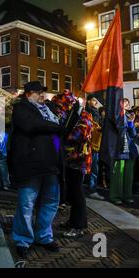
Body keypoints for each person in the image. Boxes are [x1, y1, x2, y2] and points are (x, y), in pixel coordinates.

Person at [10, 81, 63, 258]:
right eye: (39, 92)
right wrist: (55, 127)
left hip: (51, 163)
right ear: (29, 93)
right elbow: (30, 126)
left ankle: (44, 236)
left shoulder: (48, 109)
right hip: (31, 164)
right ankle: (23, 239)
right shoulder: (21, 108)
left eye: (43, 92)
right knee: (26, 203)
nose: (43, 95)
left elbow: (56, 127)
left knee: (50, 201)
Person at [52, 91, 93, 238]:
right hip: (68, 160)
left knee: (77, 194)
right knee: (71, 192)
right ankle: (72, 221)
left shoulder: (84, 115)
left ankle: (79, 226)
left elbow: (80, 135)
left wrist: (62, 131)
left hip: (79, 160)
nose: (58, 109)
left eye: (60, 106)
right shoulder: (68, 115)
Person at [109, 107, 139, 205]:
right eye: (124, 103)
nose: (126, 105)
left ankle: (127, 195)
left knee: (129, 174)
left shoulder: (128, 117)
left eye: (127, 103)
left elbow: (133, 134)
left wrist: (131, 122)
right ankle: (116, 196)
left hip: (129, 149)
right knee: (118, 174)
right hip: (119, 149)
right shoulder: (114, 117)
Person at [84, 94, 104, 200]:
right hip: (89, 144)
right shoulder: (87, 113)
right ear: (88, 101)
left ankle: (91, 187)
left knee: (93, 168)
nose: (96, 102)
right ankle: (91, 189)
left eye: (97, 101)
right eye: (94, 100)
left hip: (96, 144)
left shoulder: (96, 112)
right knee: (91, 168)